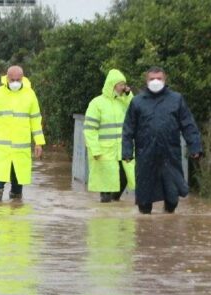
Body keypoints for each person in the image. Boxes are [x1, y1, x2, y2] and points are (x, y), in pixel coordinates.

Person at [122, 66, 202, 214]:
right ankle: (145, 230)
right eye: (152, 79)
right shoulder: (137, 102)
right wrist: (127, 151)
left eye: (159, 78)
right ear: (146, 81)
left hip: (170, 154)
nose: (155, 82)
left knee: (172, 198)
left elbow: (188, 125)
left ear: (165, 80)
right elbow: (128, 129)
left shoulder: (176, 99)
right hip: (145, 154)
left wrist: (195, 147)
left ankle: (168, 223)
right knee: (144, 200)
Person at [0, 65, 45, 202]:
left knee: (17, 186)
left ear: (23, 78)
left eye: (18, 79)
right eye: (12, 79)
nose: (15, 82)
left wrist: (39, 142)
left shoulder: (30, 94)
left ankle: (16, 217)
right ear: (6, 78)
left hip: (20, 150)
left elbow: (36, 120)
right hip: (0, 149)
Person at [84, 69, 136, 202]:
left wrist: (128, 95)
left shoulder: (124, 102)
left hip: (122, 150)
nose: (123, 87)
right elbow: (90, 129)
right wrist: (95, 149)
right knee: (106, 188)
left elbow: (136, 108)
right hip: (105, 152)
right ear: (112, 85)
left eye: (124, 84)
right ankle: (106, 216)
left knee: (124, 178)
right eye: (120, 84)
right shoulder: (96, 103)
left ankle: (115, 212)